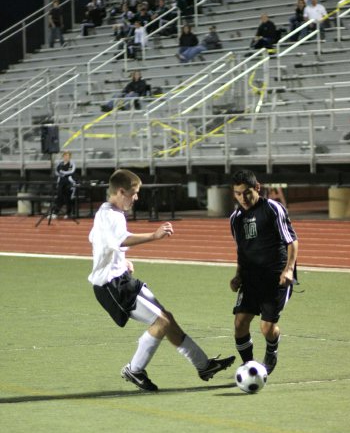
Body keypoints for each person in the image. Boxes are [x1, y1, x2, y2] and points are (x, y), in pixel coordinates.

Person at [88, 169, 235, 392]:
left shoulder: (108, 211)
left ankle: (204, 365)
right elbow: (119, 239)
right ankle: (134, 369)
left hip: (121, 278)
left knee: (167, 318)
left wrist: (121, 260)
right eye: (134, 193)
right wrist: (154, 236)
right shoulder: (110, 214)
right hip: (111, 286)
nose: (136, 198)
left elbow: (100, 240)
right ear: (120, 191)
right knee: (161, 323)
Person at [229, 169, 298, 375]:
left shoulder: (273, 209)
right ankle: (250, 367)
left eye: (247, 192)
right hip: (251, 278)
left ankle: (271, 349)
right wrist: (238, 275)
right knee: (240, 323)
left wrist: (288, 271)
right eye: (238, 193)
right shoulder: (235, 218)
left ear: (257, 188)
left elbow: (292, 241)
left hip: (276, 277)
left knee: (267, 328)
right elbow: (242, 249)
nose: (243, 198)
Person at [48, 151, 77, 220]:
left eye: (67, 156)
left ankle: (68, 213)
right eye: (65, 156)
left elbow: (71, 171)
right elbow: (56, 171)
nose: (66, 157)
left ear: (70, 157)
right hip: (61, 182)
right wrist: (60, 174)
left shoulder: (71, 164)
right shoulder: (60, 164)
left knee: (67, 198)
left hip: (68, 182)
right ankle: (55, 213)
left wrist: (63, 172)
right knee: (59, 198)